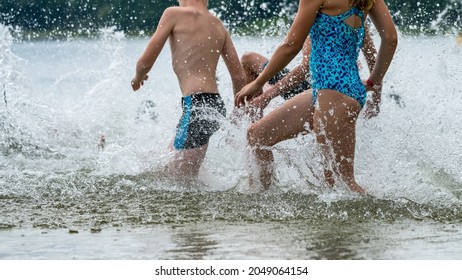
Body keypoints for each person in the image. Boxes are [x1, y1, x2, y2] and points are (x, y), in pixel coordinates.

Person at [235, 0, 398, 193]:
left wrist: (258, 82)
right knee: (257, 136)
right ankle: (262, 198)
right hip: (331, 91)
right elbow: (390, 38)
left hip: (334, 94)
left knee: (340, 182)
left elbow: (291, 45)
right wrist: (374, 82)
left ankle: (378, 216)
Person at [131, 0, 246, 177]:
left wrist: (138, 77)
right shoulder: (217, 24)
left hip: (196, 107)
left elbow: (145, 61)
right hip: (214, 106)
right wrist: (238, 113)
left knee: (178, 181)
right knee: (169, 167)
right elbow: (238, 76)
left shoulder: (173, 14)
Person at [240, 27, 381, 119]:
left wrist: (267, 96)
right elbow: (374, 60)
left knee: (257, 135)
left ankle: (254, 117)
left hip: (316, 90)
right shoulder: (358, 12)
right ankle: (249, 116)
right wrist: (375, 100)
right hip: (317, 83)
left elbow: (304, 69)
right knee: (248, 58)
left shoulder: (319, 12)